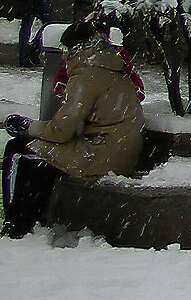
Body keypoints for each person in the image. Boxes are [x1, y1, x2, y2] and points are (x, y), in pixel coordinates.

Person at [3, 18, 144, 237]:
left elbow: (62, 131)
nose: (62, 55)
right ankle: (30, 220)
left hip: (101, 154)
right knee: (37, 156)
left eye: (64, 49)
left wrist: (27, 126)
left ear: (76, 47)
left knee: (19, 149)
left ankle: (17, 225)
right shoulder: (109, 64)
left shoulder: (87, 73)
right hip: (118, 150)